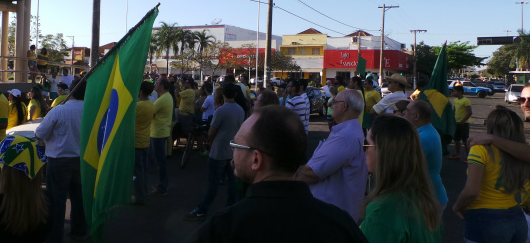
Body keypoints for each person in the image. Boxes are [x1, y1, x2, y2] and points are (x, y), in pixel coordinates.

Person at [189, 105, 368, 243]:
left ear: (256, 160)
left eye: (236, 146)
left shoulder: (223, 229)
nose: (233, 153)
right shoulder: (340, 224)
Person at [453, 106, 530, 243]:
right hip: (517, 217)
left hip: (486, 218)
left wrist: (457, 206)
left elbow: (471, 192)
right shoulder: (519, 152)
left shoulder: (480, 150)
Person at [360, 114, 442, 242]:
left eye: (367, 144)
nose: (364, 150)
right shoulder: (424, 201)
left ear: (384, 151)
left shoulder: (382, 213)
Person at [295, 89, 367, 223]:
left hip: (330, 217)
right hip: (337, 214)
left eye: (334, 102)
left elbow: (310, 173)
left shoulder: (344, 137)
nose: (331, 105)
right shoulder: (350, 131)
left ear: (344, 106)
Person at [35, 80, 88, 243]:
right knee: (79, 198)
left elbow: (41, 133)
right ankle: (79, 231)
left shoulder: (58, 111)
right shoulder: (90, 110)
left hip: (59, 161)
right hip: (82, 161)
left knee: (56, 200)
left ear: (70, 91)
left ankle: (55, 236)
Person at [187, 83, 244, 219]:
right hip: (232, 150)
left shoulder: (221, 110)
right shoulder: (240, 110)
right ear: (235, 94)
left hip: (218, 150)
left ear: (223, 94)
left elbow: (212, 131)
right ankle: (231, 208)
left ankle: (202, 209)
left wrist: (208, 141)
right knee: (232, 183)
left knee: (213, 183)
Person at [403, 100, 449, 213]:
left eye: (407, 110)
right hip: (430, 196)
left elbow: (405, 167)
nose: (403, 113)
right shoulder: (427, 131)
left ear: (416, 116)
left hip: (427, 199)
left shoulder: (422, 138)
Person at [150, 77, 173, 196]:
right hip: (161, 131)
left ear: (162, 86)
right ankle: (163, 185)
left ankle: (162, 186)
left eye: (157, 83)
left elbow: (149, 113)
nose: (155, 84)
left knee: (160, 162)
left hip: (158, 132)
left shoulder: (161, 100)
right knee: (161, 161)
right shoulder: (167, 97)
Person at [134, 81, 154, 205]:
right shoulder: (151, 104)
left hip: (136, 142)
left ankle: (141, 197)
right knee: (143, 171)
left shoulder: (138, 106)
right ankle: (144, 193)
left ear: (140, 91)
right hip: (145, 140)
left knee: (138, 172)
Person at [451, 84, 472, 161]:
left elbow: (469, 113)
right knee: (456, 140)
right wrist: (452, 120)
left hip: (464, 124)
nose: (453, 92)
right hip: (456, 123)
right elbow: (454, 111)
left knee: (465, 141)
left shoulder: (466, 100)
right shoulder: (455, 100)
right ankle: (457, 154)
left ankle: (468, 157)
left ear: (460, 92)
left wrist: (463, 121)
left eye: (455, 91)